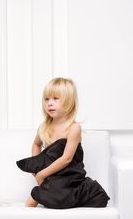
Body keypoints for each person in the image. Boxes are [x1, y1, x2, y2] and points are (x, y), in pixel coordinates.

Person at [16, 77, 110, 208]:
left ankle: (69, 194)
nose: (50, 103)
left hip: (70, 176)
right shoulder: (44, 127)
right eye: (46, 99)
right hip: (53, 176)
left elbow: (66, 159)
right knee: (39, 198)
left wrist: (43, 174)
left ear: (69, 102)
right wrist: (36, 168)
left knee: (99, 199)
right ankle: (38, 202)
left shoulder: (73, 128)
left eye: (55, 98)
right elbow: (36, 144)